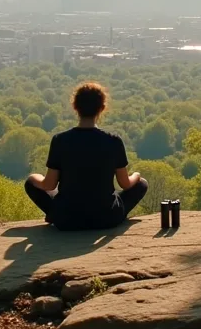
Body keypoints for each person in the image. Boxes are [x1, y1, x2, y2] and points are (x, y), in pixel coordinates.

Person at [24, 83, 148, 231]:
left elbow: (49, 185)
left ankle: (54, 214)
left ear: (75, 107)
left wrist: (33, 178)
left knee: (31, 183)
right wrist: (137, 175)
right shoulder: (113, 141)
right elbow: (126, 184)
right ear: (102, 108)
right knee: (141, 184)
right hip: (105, 218)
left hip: (67, 219)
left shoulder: (60, 140)